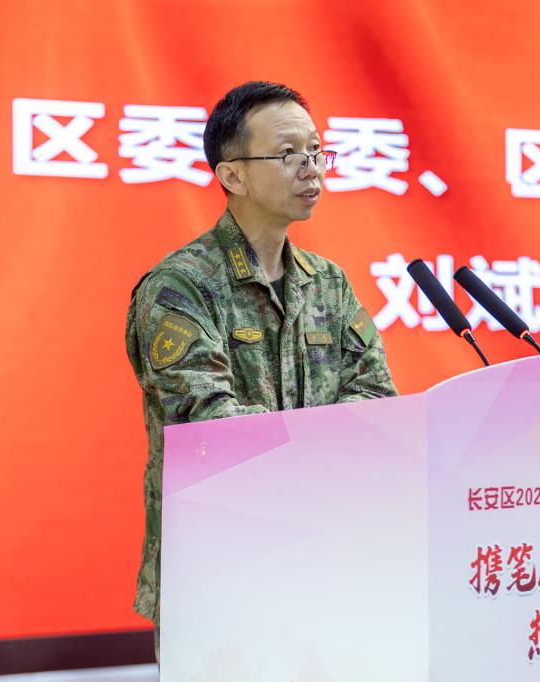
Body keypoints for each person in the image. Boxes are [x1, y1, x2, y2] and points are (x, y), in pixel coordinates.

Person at [124, 81, 397, 649]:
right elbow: (210, 426)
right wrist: (330, 446)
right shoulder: (180, 288)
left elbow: (376, 397)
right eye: (288, 153)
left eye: (316, 150)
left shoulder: (328, 282)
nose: (311, 167)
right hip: (220, 572)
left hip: (327, 562)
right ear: (233, 176)